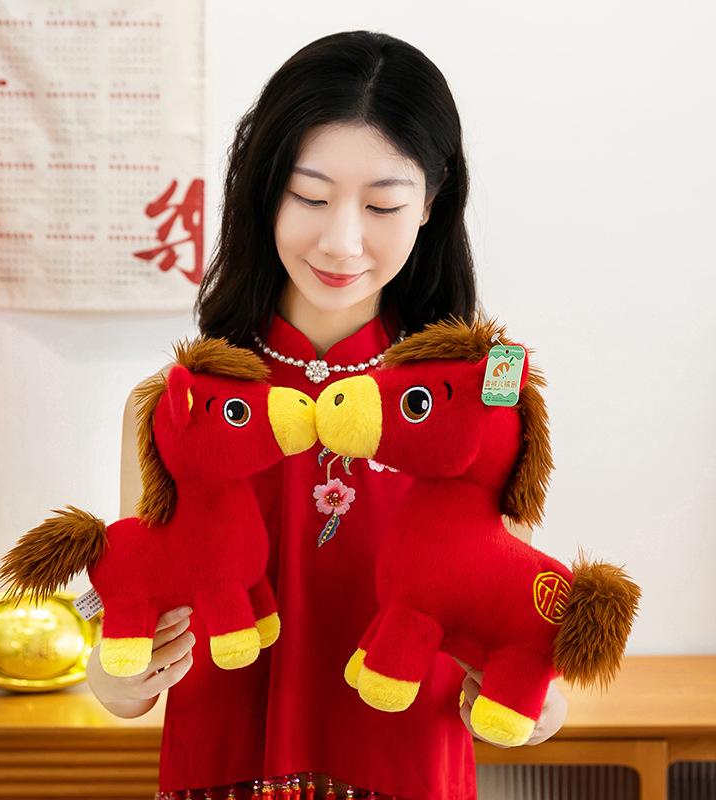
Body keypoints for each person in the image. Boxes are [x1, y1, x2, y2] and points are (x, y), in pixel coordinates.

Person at [86, 30, 568, 800]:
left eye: (383, 205)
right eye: (310, 197)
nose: (342, 242)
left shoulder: (479, 404)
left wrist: (542, 701)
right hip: (223, 770)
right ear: (264, 190)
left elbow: (506, 601)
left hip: (406, 770)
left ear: (432, 202)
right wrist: (116, 680)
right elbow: (133, 616)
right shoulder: (176, 406)